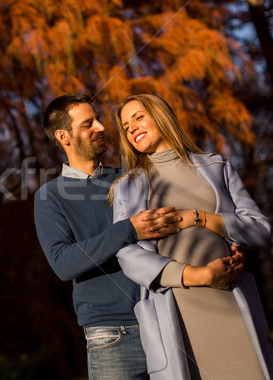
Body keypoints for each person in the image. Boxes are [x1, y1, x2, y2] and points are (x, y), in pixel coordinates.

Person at [33, 93, 243, 380]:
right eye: (88, 123)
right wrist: (129, 230)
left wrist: (226, 248)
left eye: (98, 119)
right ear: (64, 136)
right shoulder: (49, 197)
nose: (101, 126)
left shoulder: (132, 180)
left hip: (168, 316)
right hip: (112, 335)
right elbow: (63, 263)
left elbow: (179, 227)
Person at [110, 94, 273, 380]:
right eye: (126, 127)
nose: (132, 129)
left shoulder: (215, 166)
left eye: (138, 117)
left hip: (231, 301)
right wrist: (199, 275)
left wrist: (198, 218)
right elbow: (126, 254)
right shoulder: (128, 187)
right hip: (178, 308)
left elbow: (258, 228)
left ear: (161, 115)